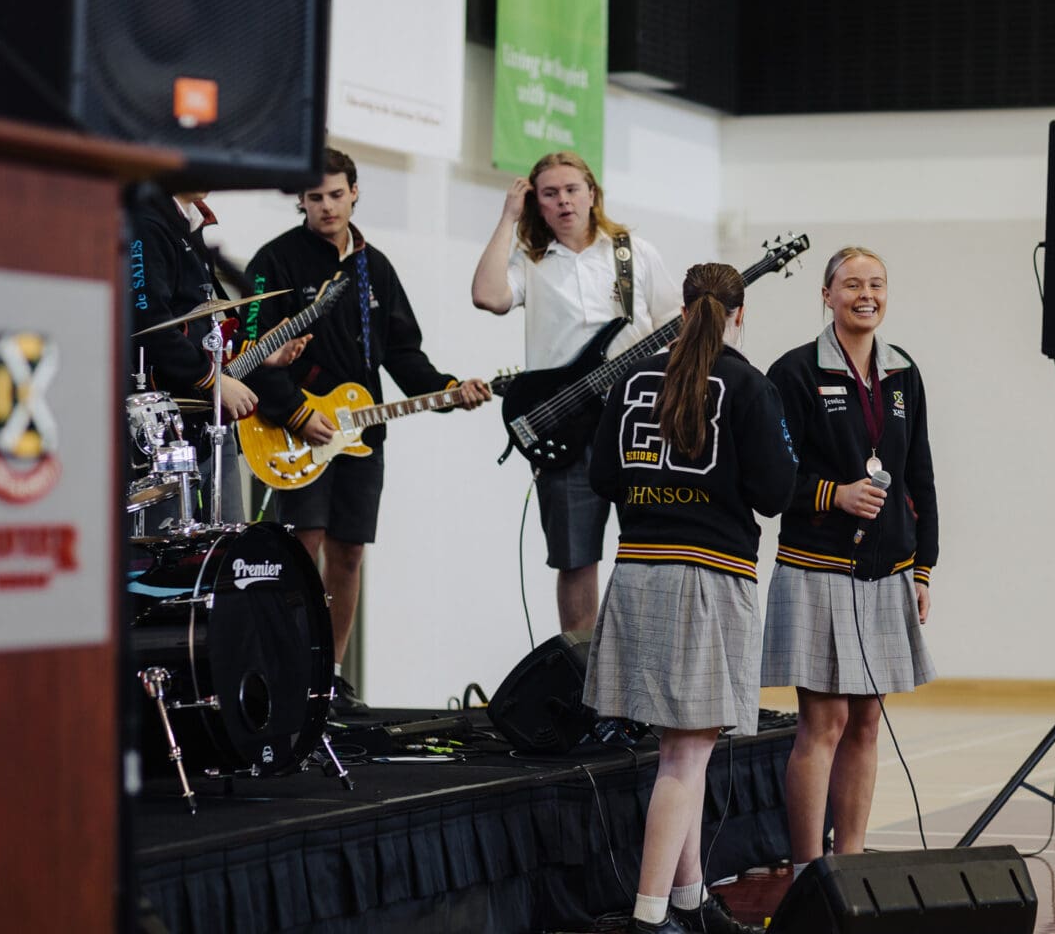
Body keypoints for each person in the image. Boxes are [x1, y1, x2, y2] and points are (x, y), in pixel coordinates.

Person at [585, 263, 796, 934]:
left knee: (685, 750)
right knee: (685, 758)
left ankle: (690, 902)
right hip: (706, 580)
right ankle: (649, 917)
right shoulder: (747, 386)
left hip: (639, 571)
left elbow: (600, 476)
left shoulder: (630, 380)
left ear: (681, 309)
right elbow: (776, 493)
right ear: (740, 314)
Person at [243, 148, 492, 716]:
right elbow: (249, 354)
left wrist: (450, 389)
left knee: (348, 554)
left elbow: (404, 354)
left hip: (361, 431)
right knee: (301, 549)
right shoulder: (273, 261)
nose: (327, 206)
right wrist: (295, 413)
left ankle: (328, 678)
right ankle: (288, 674)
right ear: (300, 201)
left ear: (355, 192)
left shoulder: (373, 266)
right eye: (315, 197)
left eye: (336, 194)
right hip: (294, 428)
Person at [760, 246, 938, 875]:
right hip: (816, 567)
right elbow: (774, 477)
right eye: (853, 284)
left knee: (867, 721)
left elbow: (919, 470)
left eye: (877, 284)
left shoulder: (903, 371)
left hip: (886, 572)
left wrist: (923, 565)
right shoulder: (793, 373)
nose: (867, 294)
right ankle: (810, 871)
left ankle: (852, 865)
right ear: (827, 295)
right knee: (825, 722)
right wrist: (833, 494)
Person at [471, 151, 681, 634]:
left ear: (592, 193)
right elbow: (488, 295)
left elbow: (676, 326)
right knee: (575, 558)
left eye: (571, 189)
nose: (563, 201)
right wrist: (507, 217)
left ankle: (641, 676)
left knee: (649, 553)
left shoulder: (634, 253)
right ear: (536, 205)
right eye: (549, 194)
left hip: (637, 422)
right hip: (563, 427)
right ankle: (582, 680)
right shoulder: (533, 262)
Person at [130, 187, 306, 527]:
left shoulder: (192, 226)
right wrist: (213, 380)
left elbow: (208, 324)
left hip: (209, 417)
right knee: (167, 550)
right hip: (165, 423)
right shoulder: (147, 222)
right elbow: (150, 324)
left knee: (226, 548)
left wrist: (255, 354)